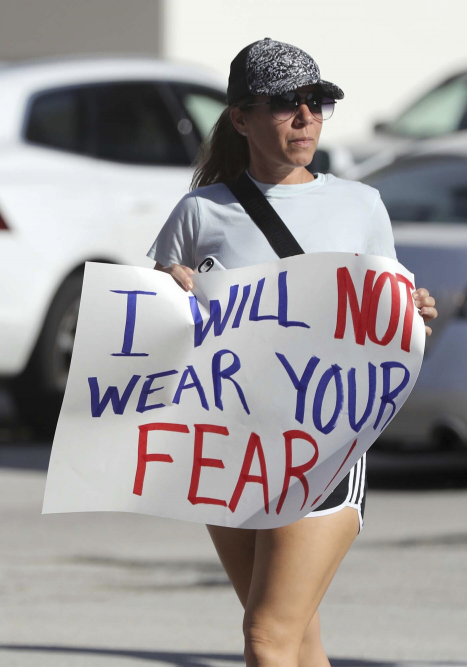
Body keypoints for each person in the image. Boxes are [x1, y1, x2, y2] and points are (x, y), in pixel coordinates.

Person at [149, 39, 438, 667]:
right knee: (295, 636)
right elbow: (155, 338)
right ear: (241, 118)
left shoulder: (361, 205)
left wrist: (411, 318)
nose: (307, 116)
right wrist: (165, 296)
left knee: (266, 634)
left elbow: (384, 328)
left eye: (319, 101)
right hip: (229, 446)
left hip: (324, 446)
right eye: (286, 104)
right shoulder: (199, 212)